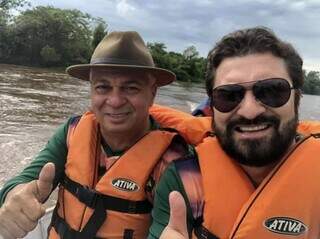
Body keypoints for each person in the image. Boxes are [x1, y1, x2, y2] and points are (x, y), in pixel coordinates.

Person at [0, 31, 193, 239]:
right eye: (103, 87)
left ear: (152, 93)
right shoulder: (72, 131)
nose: (115, 101)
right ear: (91, 91)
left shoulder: (174, 161)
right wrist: (14, 196)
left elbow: (168, 230)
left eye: (131, 88)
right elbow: (24, 183)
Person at [148, 27, 320, 239]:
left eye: (272, 91)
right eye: (229, 95)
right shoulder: (183, 182)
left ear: (297, 98)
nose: (250, 111)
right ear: (212, 106)